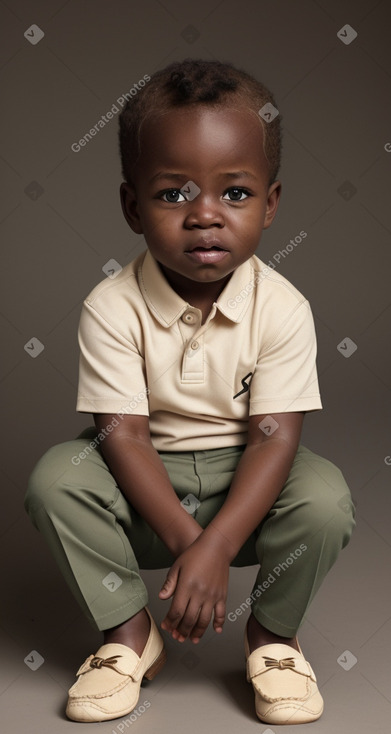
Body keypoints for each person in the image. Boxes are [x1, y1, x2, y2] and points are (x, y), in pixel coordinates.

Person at [25, 58, 355, 725]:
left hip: (250, 486)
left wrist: (218, 542)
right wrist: (189, 544)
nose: (204, 216)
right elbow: (122, 435)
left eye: (233, 193)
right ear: (130, 205)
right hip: (147, 490)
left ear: (270, 203)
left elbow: (274, 437)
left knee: (325, 499)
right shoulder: (111, 306)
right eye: (172, 194)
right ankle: (127, 636)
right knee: (57, 479)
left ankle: (272, 640)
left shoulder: (282, 307)